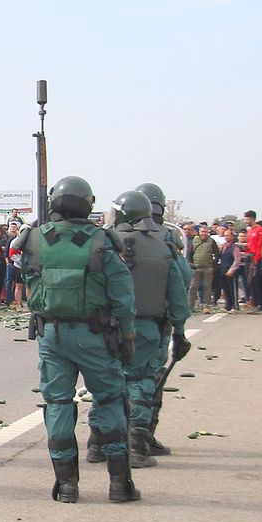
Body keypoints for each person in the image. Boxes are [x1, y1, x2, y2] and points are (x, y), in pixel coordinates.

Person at [21, 176, 139, 503]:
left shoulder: (34, 239)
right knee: (111, 400)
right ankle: (118, 483)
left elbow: (29, 280)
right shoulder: (102, 240)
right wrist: (127, 336)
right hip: (96, 335)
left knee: (58, 404)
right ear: (87, 204)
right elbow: (122, 296)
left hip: (52, 335)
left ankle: (66, 484)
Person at [108, 191, 190, 467]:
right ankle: (138, 443)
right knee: (143, 382)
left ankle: (101, 441)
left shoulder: (103, 241)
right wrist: (179, 328)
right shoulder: (164, 244)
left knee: (108, 382)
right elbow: (181, 285)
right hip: (149, 324)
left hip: (108, 325)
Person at [242, 211, 262, 311]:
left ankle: (259, 304)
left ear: (252, 218)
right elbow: (250, 245)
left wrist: (257, 259)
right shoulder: (249, 231)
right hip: (249, 258)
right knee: (249, 282)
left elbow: (260, 246)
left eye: (247, 219)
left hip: (256, 259)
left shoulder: (259, 230)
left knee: (254, 281)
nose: (246, 221)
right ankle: (254, 302)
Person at [189, 227, 216, 310]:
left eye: (205, 232)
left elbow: (217, 254)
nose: (203, 233)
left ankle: (206, 305)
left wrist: (213, 266)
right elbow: (189, 253)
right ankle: (190, 306)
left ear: (208, 233)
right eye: (202, 232)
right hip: (195, 268)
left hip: (208, 268)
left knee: (207, 287)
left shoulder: (211, 241)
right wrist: (190, 264)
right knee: (193, 287)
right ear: (199, 232)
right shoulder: (194, 240)